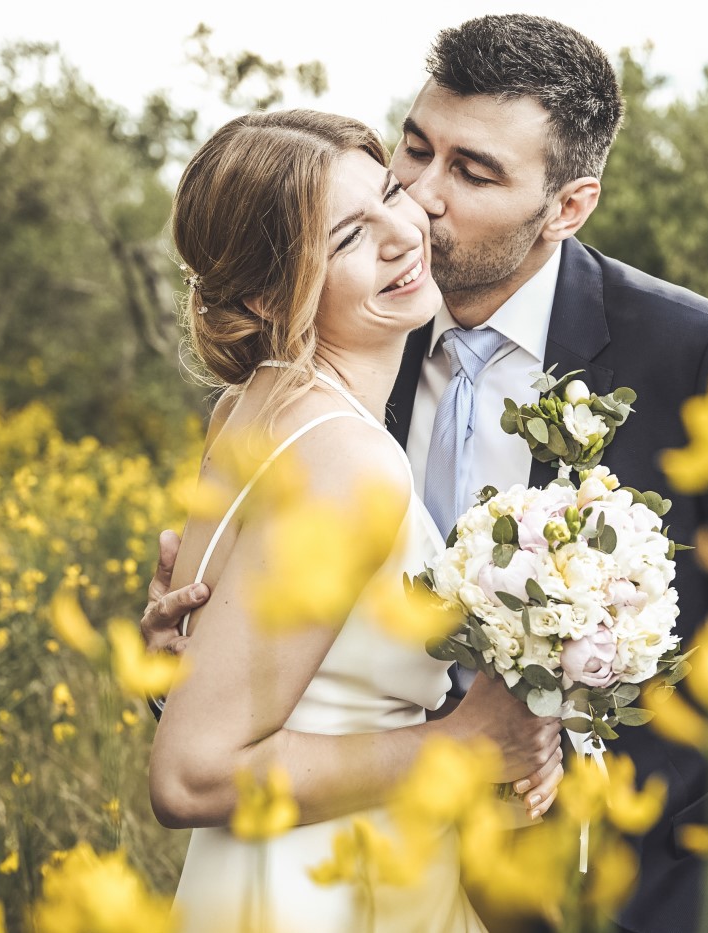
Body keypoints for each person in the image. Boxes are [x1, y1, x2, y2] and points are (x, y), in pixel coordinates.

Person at [144, 16, 708, 933]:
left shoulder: (694, 358)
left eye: (473, 172)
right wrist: (181, 669)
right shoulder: (352, 337)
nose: (420, 201)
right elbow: (256, 698)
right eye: (413, 152)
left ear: (568, 206)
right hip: (365, 867)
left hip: (617, 890)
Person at [148, 109, 564, 932]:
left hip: (274, 867)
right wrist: (462, 743)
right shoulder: (350, 461)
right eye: (344, 239)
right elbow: (188, 775)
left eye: (387, 194)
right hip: (325, 886)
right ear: (269, 292)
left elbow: (242, 677)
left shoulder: (249, 406)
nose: (404, 234)